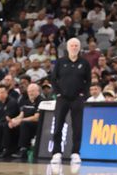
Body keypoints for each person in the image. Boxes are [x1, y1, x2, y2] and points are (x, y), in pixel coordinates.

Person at [50, 37, 91, 165]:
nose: (74, 47)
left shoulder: (84, 63)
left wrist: (83, 95)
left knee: (77, 127)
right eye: (72, 45)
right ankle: (56, 153)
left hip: (77, 99)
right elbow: (53, 79)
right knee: (58, 126)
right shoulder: (61, 62)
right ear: (67, 48)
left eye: (76, 46)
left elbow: (88, 81)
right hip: (62, 98)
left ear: (79, 48)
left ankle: (75, 153)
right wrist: (57, 93)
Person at [8, 82, 43, 159]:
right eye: (29, 91)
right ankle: (8, 149)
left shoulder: (41, 101)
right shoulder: (27, 101)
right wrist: (13, 120)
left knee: (24, 124)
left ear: (38, 91)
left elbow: (36, 117)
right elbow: (21, 115)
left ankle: (23, 150)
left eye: (33, 91)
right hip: (26, 122)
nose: (31, 93)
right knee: (7, 125)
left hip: (38, 124)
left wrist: (20, 120)